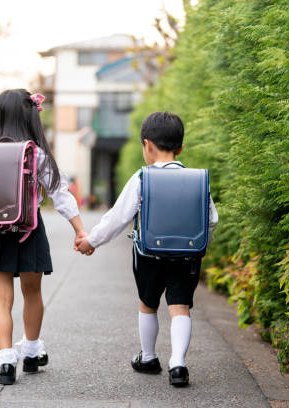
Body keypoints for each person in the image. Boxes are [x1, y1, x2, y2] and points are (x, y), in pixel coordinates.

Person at [76, 112, 219, 387]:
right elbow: (211, 219)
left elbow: (118, 217)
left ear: (147, 145)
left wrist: (91, 241)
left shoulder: (142, 177)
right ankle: (178, 364)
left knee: (148, 305)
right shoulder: (197, 180)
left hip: (148, 254)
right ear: (180, 148)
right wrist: (201, 244)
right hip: (187, 255)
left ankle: (149, 357)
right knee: (180, 307)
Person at [0, 89, 91, 385]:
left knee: (1, 298)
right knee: (32, 293)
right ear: (30, 117)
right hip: (28, 232)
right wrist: (80, 230)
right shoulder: (36, 153)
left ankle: (6, 360)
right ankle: (31, 352)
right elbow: (60, 194)